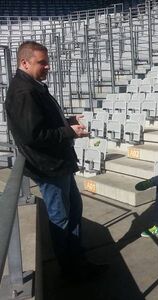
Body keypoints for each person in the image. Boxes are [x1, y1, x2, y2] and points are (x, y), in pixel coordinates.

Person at [5, 41, 107, 281]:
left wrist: (68, 120)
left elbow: (43, 124)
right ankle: (71, 270)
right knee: (61, 218)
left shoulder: (33, 86)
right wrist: (70, 132)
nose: (48, 66)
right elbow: (35, 136)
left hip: (58, 164)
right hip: (49, 167)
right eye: (42, 62)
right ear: (24, 62)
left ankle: (77, 261)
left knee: (73, 211)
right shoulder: (24, 92)